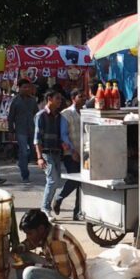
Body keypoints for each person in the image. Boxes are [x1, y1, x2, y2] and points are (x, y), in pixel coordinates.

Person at [35, 89, 73, 217]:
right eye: (57, 98)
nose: (60, 101)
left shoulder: (59, 116)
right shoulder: (41, 115)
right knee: (52, 180)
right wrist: (39, 157)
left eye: (60, 99)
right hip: (46, 152)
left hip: (56, 152)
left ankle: (48, 205)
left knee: (55, 181)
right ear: (49, 99)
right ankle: (45, 208)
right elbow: (37, 139)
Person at [53, 88, 84, 220]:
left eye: (84, 97)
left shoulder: (85, 113)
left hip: (84, 152)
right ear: (73, 98)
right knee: (74, 180)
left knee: (82, 183)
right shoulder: (66, 114)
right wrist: (72, 151)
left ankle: (77, 212)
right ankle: (59, 198)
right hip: (70, 153)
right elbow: (64, 135)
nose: (83, 99)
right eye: (80, 96)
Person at [8, 79, 38, 184]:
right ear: (19, 88)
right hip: (20, 130)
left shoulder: (33, 100)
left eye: (28, 87)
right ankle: (25, 175)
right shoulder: (15, 101)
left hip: (32, 129)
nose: (27, 89)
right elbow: (10, 117)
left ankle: (21, 162)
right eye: (24, 87)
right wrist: (11, 131)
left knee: (32, 152)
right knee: (24, 152)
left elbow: (37, 115)